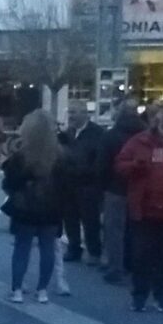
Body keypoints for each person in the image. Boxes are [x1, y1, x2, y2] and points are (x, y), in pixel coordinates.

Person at [115, 101, 163, 313]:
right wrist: (135, 166)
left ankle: (162, 296)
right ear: (156, 120)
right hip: (144, 211)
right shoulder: (139, 141)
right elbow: (119, 164)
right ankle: (139, 295)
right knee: (142, 256)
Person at [1, 110, 64, 305]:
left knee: (22, 248)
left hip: (25, 208)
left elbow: (9, 183)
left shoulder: (21, 156)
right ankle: (42, 290)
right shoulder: (59, 155)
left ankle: (17, 289)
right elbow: (67, 185)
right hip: (52, 208)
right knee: (47, 248)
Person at [99, 106, 146, 284]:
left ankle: (115, 269)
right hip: (141, 189)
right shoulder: (146, 136)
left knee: (114, 232)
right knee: (138, 231)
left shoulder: (110, 136)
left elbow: (103, 165)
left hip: (116, 189)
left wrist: (103, 186)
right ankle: (135, 266)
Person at [60, 103, 106, 265]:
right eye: (70, 112)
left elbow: (100, 160)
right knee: (70, 218)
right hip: (69, 183)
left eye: (74, 112)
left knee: (90, 220)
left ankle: (94, 251)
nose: (71, 116)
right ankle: (74, 248)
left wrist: (85, 172)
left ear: (85, 114)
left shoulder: (97, 133)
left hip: (88, 184)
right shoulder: (68, 133)